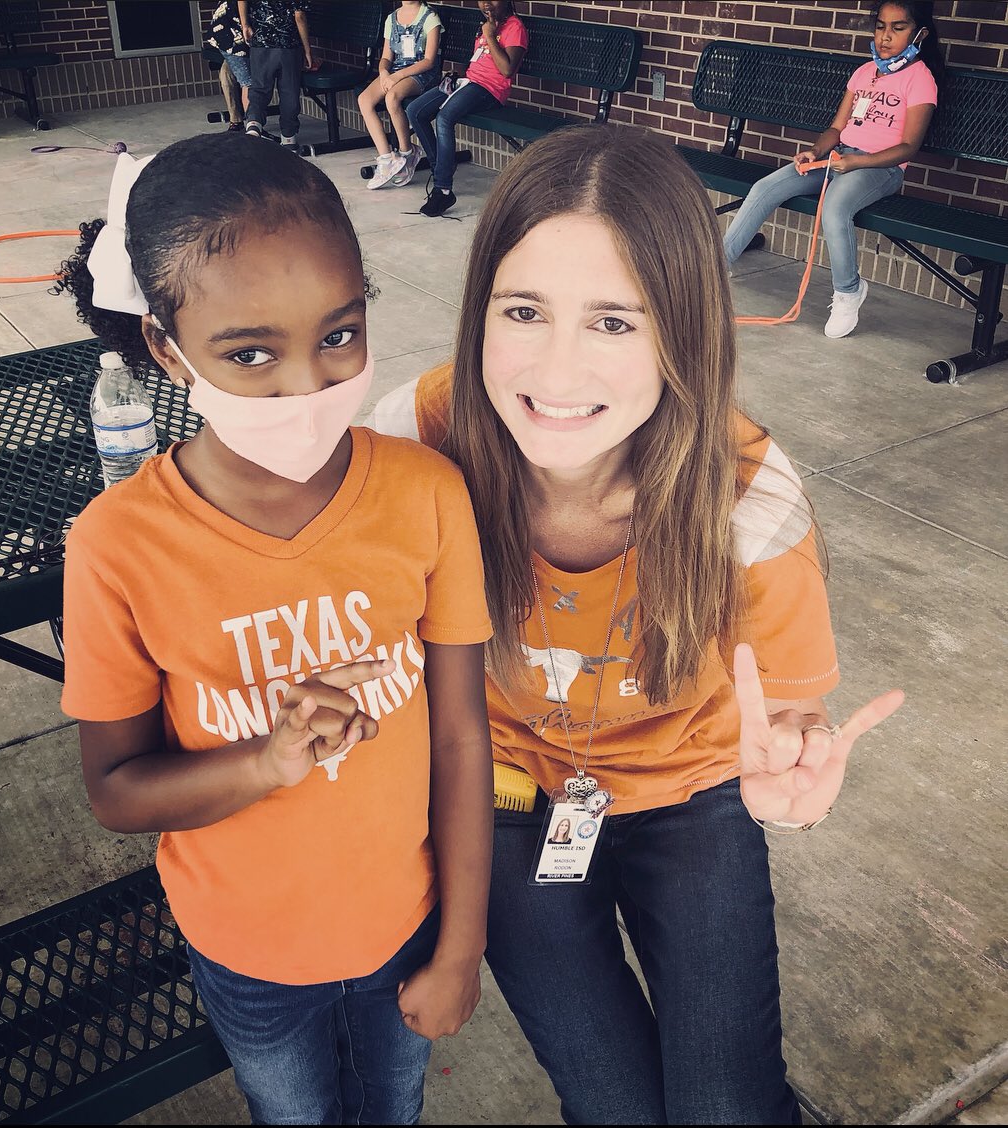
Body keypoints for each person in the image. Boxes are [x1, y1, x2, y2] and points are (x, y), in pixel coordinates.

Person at [371, 123, 904, 1124]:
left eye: (616, 322)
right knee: (611, 1105)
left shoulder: (751, 496)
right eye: (524, 310)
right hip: (512, 797)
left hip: (693, 788)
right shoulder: (414, 438)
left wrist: (791, 775)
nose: (558, 373)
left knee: (726, 1107)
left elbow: (788, 709)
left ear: (682, 331)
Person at [54, 132, 495, 1125]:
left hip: (408, 929)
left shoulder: (427, 493)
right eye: (249, 353)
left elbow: (466, 732)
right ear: (167, 349)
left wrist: (463, 940)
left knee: (391, 1106)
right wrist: (266, 762)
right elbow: (118, 791)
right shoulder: (118, 546)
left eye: (339, 335)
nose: (308, 386)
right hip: (247, 951)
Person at [724, 0, 942, 339]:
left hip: (880, 167)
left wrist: (858, 162)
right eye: (881, 26)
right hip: (839, 157)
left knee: (836, 207)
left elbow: (908, 147)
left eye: (898, 28)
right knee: (765, 187)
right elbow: (836, 128)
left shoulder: (920, 80)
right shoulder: (863, 73)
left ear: (920, 33)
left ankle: (848, 290)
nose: (886, 36)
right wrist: (814, 151)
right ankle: (716, 267)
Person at [406, 0, 527, 217]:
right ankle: (440, 167)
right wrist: (457, 76)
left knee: (444, 118)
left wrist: (490, 36)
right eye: (481, 0)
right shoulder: (486, 25)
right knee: (415, 110)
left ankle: (443, 189)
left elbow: (507, 70)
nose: (486, 4)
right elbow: (477, 62)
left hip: (490, 90)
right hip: (469, 83)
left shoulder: (514, 27)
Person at [357, 0, 442, 191]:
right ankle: (387, 158)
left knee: (392, 97)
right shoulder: (392, 18)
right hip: (395, 72)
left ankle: (407, 152)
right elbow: (387, 57)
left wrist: (397, 76)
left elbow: (429, 61)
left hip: (421, 74)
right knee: (364, 99)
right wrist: (384, 73)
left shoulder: (430, 17)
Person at [237, 0, 312, 148]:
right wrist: (307, 50)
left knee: (259, 88)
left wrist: (245, 24)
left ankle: (254, 123)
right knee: (289, 91)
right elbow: (300, 16)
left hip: (261, 43)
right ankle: (289, 136)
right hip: (289, 46)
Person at [205, 0, 251, 131]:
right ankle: (247, 123)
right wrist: (245, 25)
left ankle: (245, 121)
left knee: (229, 74)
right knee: (244, 80)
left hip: (231, 33)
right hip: (233, 33)